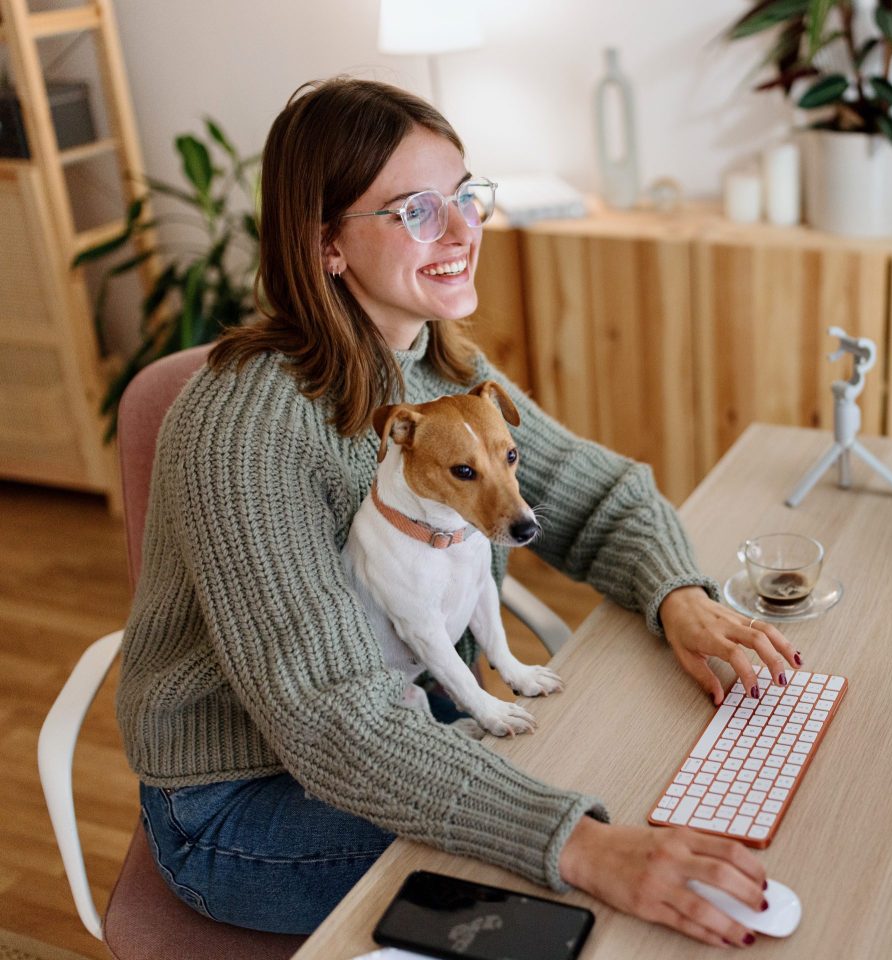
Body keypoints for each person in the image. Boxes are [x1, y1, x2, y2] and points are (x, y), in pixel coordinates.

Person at [116, 77, 801, 948]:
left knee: (652, 795)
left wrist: (680, 597)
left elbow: (598, 495)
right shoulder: (243, 426)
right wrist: (579, 842)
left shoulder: (439, 367)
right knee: (583, 889)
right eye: (417, 211)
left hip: (419, 720)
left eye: (467, 197)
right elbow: (331, 714)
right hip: (245, 800)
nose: (464, 230)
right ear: (326, 245)